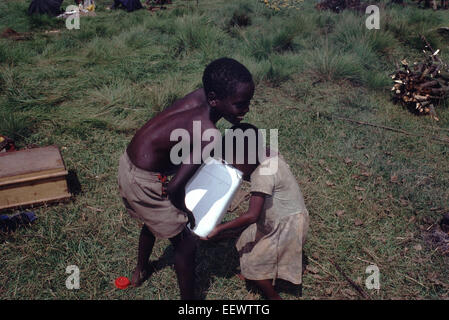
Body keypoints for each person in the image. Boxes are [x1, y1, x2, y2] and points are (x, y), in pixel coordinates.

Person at [118, 58, 254, 299]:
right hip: (146, 181)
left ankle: (141, 271)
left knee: (151, 221)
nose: (246, 109)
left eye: (248, 102)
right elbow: (174, 188)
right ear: (215, 99)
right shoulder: (209, 133)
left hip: (129, 163)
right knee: (186, 244)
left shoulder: (199, 96)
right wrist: (186, 212)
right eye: (240, 104)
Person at [202, 123, 309, 300]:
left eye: (233, 162)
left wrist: (219, 228)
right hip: (281, 219)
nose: (232, 167)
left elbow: (252, 215)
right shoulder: (268, 155)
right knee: (245, 240)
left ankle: (272, 295)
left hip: (288, 228)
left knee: (253, 264)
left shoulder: (262, 175)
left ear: (246, 156)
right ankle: (261, 270)